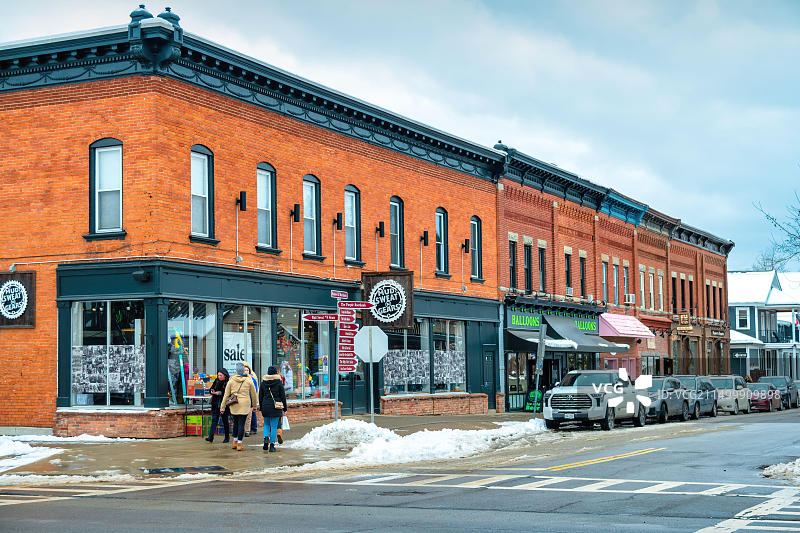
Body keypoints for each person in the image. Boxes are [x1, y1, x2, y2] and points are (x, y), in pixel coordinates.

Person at [221, 362, 258, 451]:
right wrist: (254, 405)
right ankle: (239, 444)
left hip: (234, 404)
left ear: (236, 370)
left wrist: (222, 407)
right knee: (242, 423)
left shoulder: (231, 380)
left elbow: (226, 395)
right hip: (245, 404)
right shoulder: (249, 380)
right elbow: (253, 394)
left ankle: (234, 442)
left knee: (236, 423)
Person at [259, 366, 287, 452]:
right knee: (274, 426)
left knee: (266, 425)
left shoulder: (263, 383)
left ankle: (266, 438)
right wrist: (285, 408)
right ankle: (272, 445)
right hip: (276, 407)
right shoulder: (279, 382)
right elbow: (283, 396)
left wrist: (261, 406)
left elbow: (260, 396)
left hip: (265, 406)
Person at [205, 368, 230, 443]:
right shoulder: (216, 381)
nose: (219, 377)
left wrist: (218, 393)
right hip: (215, 403)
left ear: (225, 375)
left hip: (224, 403)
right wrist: (212, 390)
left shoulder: (227, 382)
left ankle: (227, 437)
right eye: (218, 375)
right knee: (214, 420)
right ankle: (211, 436)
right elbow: (211, 389)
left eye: (221, 375)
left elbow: (227, 393)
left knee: (225, 421)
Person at [242, 362, 259, 437]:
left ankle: (247, 431)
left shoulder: (252, 378)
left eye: (247, 370)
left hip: (250, 400)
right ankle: (242, 430)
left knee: (249, 416)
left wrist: (254, 402)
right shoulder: (239, 378)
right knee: (243, 416)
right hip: (241, 400)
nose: (246, 371)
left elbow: (255, 390)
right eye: (244, 370)